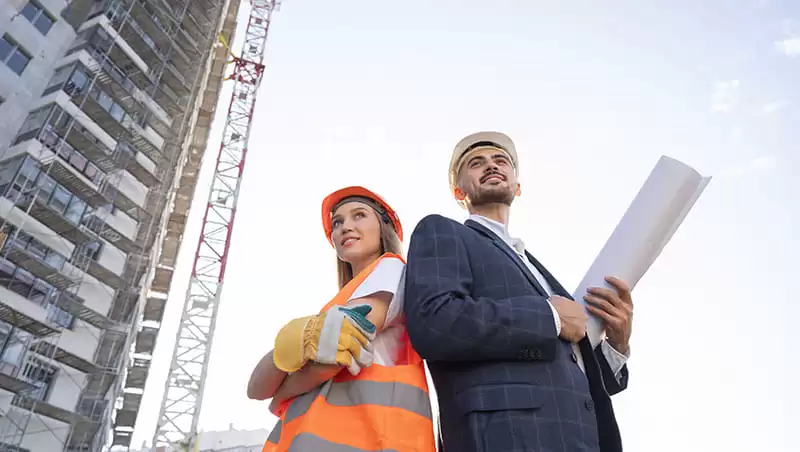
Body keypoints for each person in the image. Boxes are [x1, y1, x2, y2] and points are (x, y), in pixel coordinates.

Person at [404, 131, 634, 452]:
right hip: (504, 436)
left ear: (517, 186)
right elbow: (435, 321)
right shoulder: (443, 232)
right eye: (476, 163)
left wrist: (617, 344)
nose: (491, 166)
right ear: (459, 191)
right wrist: (548, 316)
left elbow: (572, 370)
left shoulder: (540, 271)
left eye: (501, 161)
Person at [248, 186, 436, 452]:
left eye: (359, 215)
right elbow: (255, 388)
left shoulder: (391, 268)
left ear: (383, 228)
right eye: (338, 222)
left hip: (368, 439)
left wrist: (282, 392)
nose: (346, 227)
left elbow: (340, 343)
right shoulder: (339, 302)